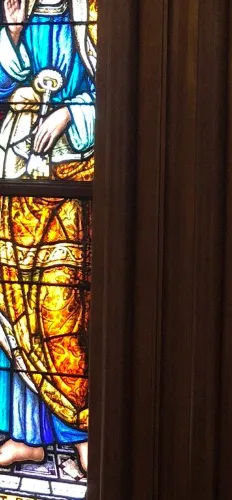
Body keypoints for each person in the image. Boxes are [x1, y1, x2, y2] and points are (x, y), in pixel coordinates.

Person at [0, 0, 96, 472]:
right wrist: (14, 34)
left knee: (61, 307)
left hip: (73, 180)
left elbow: (122, 92)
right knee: (15, 306)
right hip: (17, 176)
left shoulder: (92, 13)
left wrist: (72, 115)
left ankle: (84, 429)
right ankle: (27, 436)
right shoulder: (18, 8)